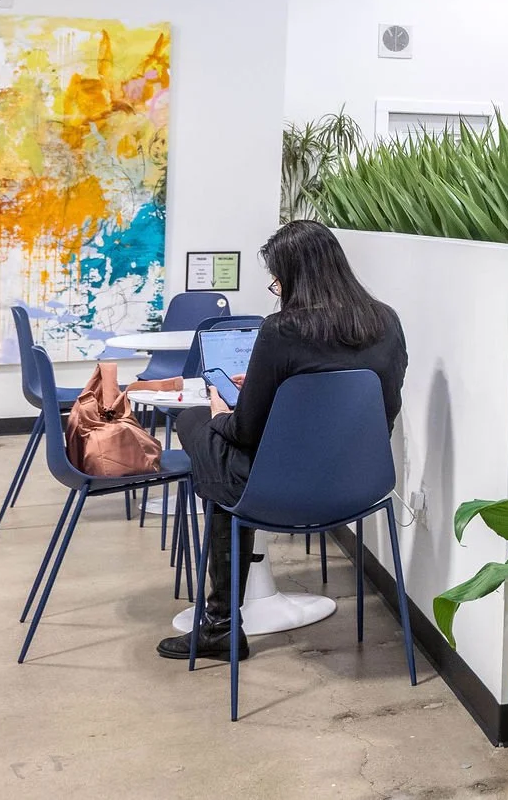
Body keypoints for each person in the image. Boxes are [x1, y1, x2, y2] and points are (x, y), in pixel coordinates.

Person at [157, 220, 409, 662]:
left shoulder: (281, 330)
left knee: (198, 423)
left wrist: (222, 414)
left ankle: (221, 623)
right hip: (362, 485)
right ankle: (220, 619)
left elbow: (246, 432)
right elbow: (382, 410)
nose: (276, 289)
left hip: (279, 490)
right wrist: (265, 388)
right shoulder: (386, 321)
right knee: (224, 451)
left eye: (277, 279)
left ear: (294, 276)